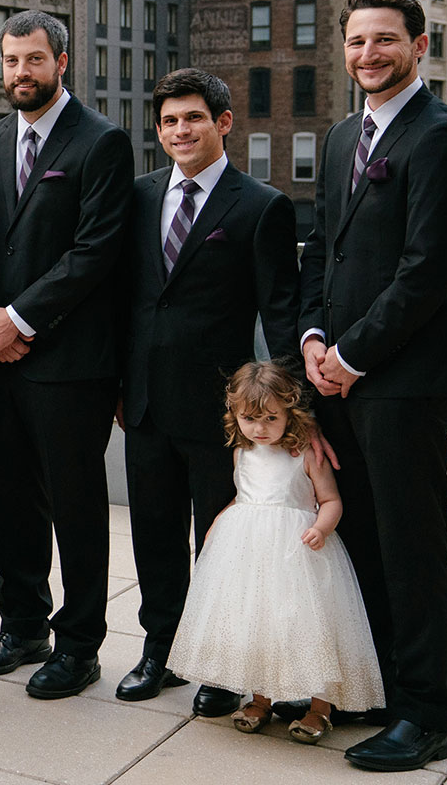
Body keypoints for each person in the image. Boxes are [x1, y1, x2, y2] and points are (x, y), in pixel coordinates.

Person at [298, 0, 447, 772]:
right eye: (356, 41)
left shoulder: (444, 138)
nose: (368, 54)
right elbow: (320, 247)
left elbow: (425, 272)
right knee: (361, 540)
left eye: (385, 41)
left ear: (420, 46)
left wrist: (352, 356)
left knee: (411, 549)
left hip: (402, 381)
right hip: (336, 375)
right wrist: (311, 340)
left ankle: (427, 715)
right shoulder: (343, 135)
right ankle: (376, 690)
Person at [115, 69, 303, 717]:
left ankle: (220, 666)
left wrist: (288, 411)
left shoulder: (261, 206)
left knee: (217, 545)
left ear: (224, 123)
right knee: (154, 535)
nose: (180, 131)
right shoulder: (137, 197)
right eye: (168, 121)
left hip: (223, 413)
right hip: (142, 402)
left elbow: (280, 314)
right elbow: (126, 301)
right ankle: (160, 650)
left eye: (192, 118)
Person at [0, 10, 131, 699]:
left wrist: (22, 319)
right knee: (9, 500)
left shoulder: (102, 142)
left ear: (62, 62)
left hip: (70, 361)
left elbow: (96, 252)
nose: (20, 73)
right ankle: (23, 623)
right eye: (10, 61)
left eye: (33, 60)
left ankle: (80, 644)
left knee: (75, 505)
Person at [167, 362, 385, 743]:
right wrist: (222, 519)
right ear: (235, 414)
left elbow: (331, 499)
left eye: (271, 418)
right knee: (257, 623)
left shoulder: (306, 454)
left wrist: (320, 527)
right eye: (250, 418)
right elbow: (244, 496)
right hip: (250, 554)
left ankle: (320, 708)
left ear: (290, 412)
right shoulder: (243, 451)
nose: (261, 428)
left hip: (298, 554)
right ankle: (260, 700)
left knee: (309, 627)